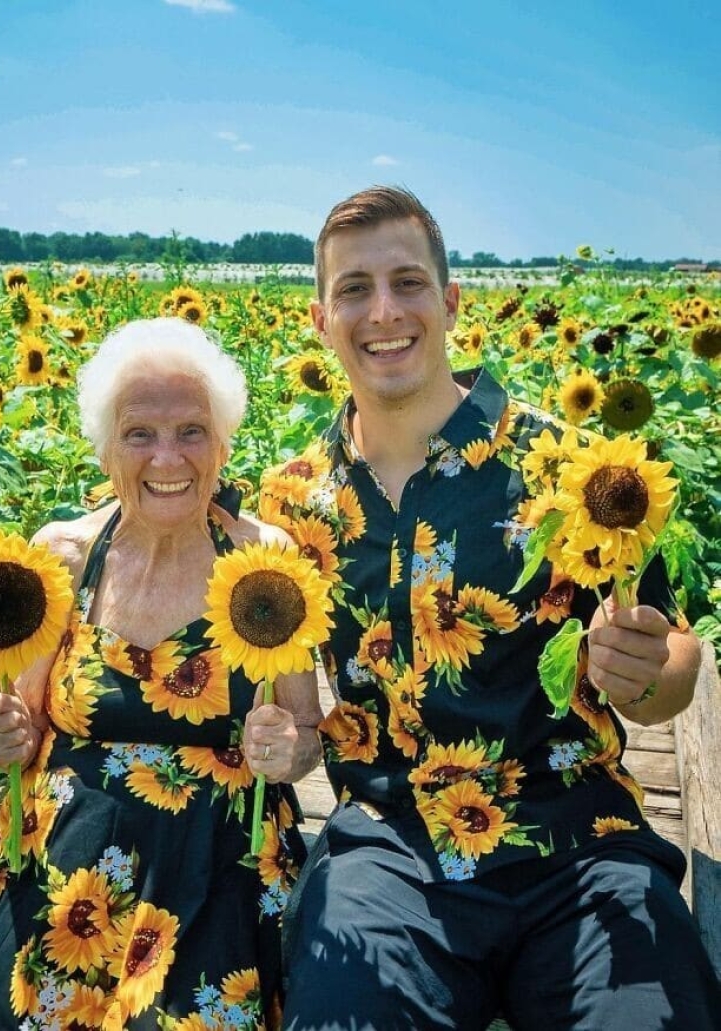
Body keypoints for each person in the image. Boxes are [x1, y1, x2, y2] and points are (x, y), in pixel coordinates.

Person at [259, 187, 721, 1030]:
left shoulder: (570, 470)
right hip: (388, 850)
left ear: (451, 301)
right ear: (321, 319)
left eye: (407, 281)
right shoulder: (291, 504)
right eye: (354, 289)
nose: (384, 310)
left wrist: (648, 672)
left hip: (580, 845)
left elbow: (675, 668)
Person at [0, 317, 324, 1030]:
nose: (168, 456)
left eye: (192, 430)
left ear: (223, 442)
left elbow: (308, 731)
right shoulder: (65, 555)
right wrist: (0, 732)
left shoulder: (266, 558)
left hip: (221, 857)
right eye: (139, 433)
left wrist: (287, 749)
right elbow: (29, 720)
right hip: (69, 859)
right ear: (106, 449)